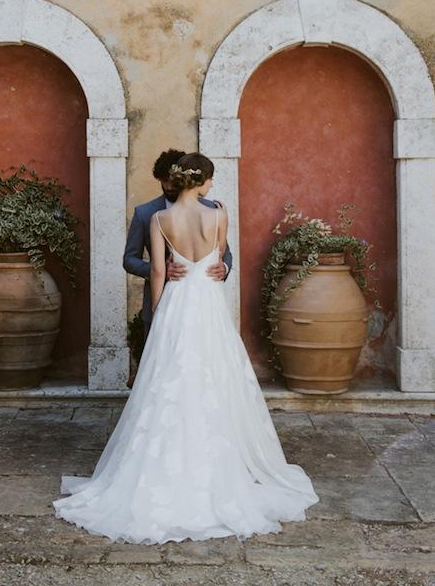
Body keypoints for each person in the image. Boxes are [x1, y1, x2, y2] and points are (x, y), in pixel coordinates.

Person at [53, 152, 319, 544]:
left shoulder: (163, 220)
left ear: (175, 180)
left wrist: (169, 309)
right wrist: (201, 269)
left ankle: (169, 468)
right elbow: (142, 262)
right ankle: (214, 468)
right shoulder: (210, 213)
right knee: (214, 376)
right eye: (210, 179)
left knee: (171, 384)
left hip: (177, 306)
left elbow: (187, 267)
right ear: (201, 180)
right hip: (208, 308)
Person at [123, 148, 233, 348]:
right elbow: (129, 259)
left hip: (206, 304)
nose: (169, 186)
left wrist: (223, 267)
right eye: (164, 180)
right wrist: (161, 270)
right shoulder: (145, 213)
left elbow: (225, 253)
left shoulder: (212, 210)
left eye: (172, 180)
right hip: (163, 301)